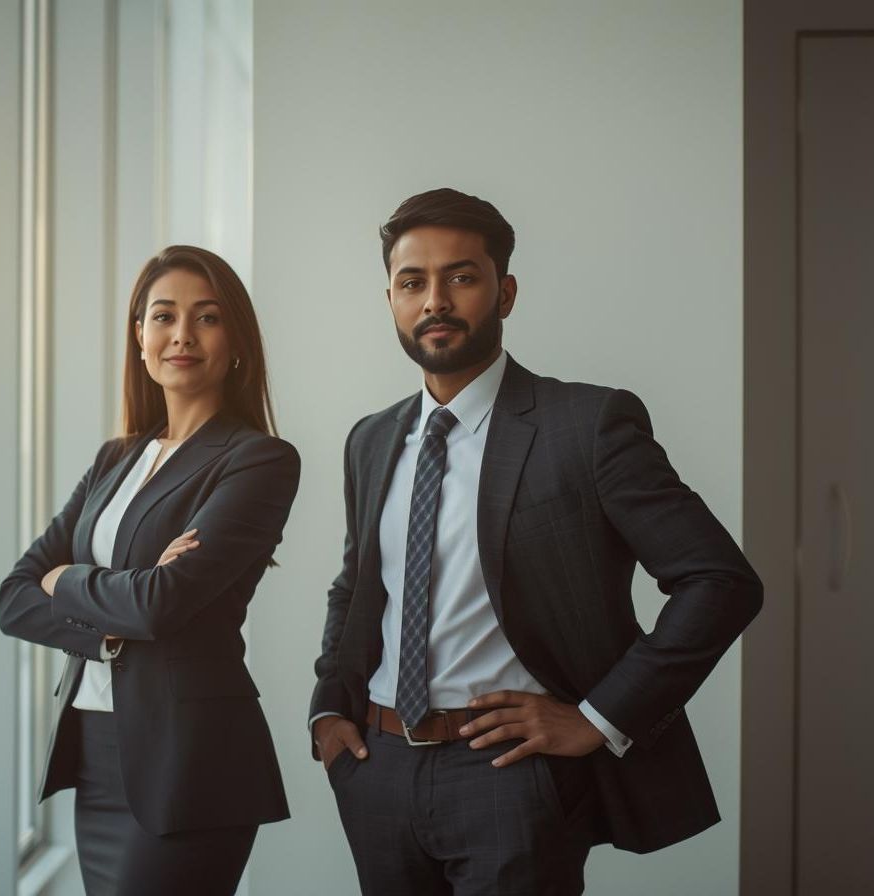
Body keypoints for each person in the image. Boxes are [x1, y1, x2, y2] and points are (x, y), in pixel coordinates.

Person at [308, 188, 763, 894]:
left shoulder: (586, 425)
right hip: (378, 769)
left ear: (505, 291)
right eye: (412, 281)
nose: (435, 300)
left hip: (509, 780)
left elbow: (720, 581)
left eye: (461, 276)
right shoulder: (371, 440)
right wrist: (330, 708)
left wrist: (597, 718)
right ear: (391, 298)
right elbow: (359, 585)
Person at [0, 245, 299, 895]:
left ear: (237, 339)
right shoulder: (116, 459)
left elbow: (162, 602)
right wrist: (108, 624)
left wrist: (66, 580)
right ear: (139, 337)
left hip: (191, 763)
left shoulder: (259, 460)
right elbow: (13, 598)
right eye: (163, 316)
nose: (182, 335)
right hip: (99, 754)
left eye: (207, 318)